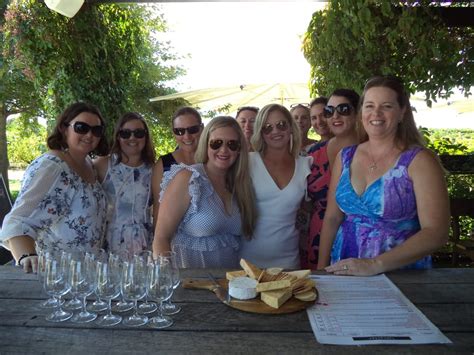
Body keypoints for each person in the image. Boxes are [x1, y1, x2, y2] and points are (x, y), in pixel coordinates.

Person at [318, 76, 450, 276]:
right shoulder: (345, 157)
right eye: (369, 106)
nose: (375, 113)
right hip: (344, 269)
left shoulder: (419, 161)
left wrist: (374, 264)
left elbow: (436, 233)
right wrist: (321, 270)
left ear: (401, 112)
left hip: (401, 275)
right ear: (361, 112)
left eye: (386, 106)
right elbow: (332, 217)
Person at [0, 102, 109, 272]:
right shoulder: (52, 166)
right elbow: (17, 220)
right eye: (81, 127)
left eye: (97, 130)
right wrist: (27, 257)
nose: (89, 135)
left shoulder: (88, 164)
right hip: (57, 275)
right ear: (64, 129)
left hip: (87, 275)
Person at [153, 116, 257, 268]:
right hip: (191, 283)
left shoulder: (239, 184)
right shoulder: (188, 178)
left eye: (232, 144)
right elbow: (161, 238)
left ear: (239, 149)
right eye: (216, 143)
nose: (224, 150)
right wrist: (166, 280)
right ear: (206, 144)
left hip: (229, 283)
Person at [240, 104, 312, 269]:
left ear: (291, 127)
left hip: (289, 261)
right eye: (267, 128)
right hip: (247, 262)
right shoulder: (247, 162)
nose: (275, 131)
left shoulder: (306, 164)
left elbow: (308, 211)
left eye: (281, 125)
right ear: (260, 132)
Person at [303, 89, 361, 269]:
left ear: (358, 112)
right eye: (329, 111)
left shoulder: (371, 151)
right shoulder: (314, 153)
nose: (335, 115)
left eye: (343, 109)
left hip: (360, 239)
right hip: (318, 236)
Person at [94, 112, 156, 255]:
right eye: (125, 133)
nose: (132, 138)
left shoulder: (154, 169)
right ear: (118, 137)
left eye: (139, 133)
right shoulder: (103, 165)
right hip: (109, 241)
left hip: (145, 242)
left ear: (146, 137)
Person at [151, 107, 203, 225]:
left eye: (193, 129)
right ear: (173, 132)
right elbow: (158, 210)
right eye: (180, 131)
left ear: (202, 128)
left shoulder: (213, 160)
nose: (187, 136)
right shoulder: (163, 164)